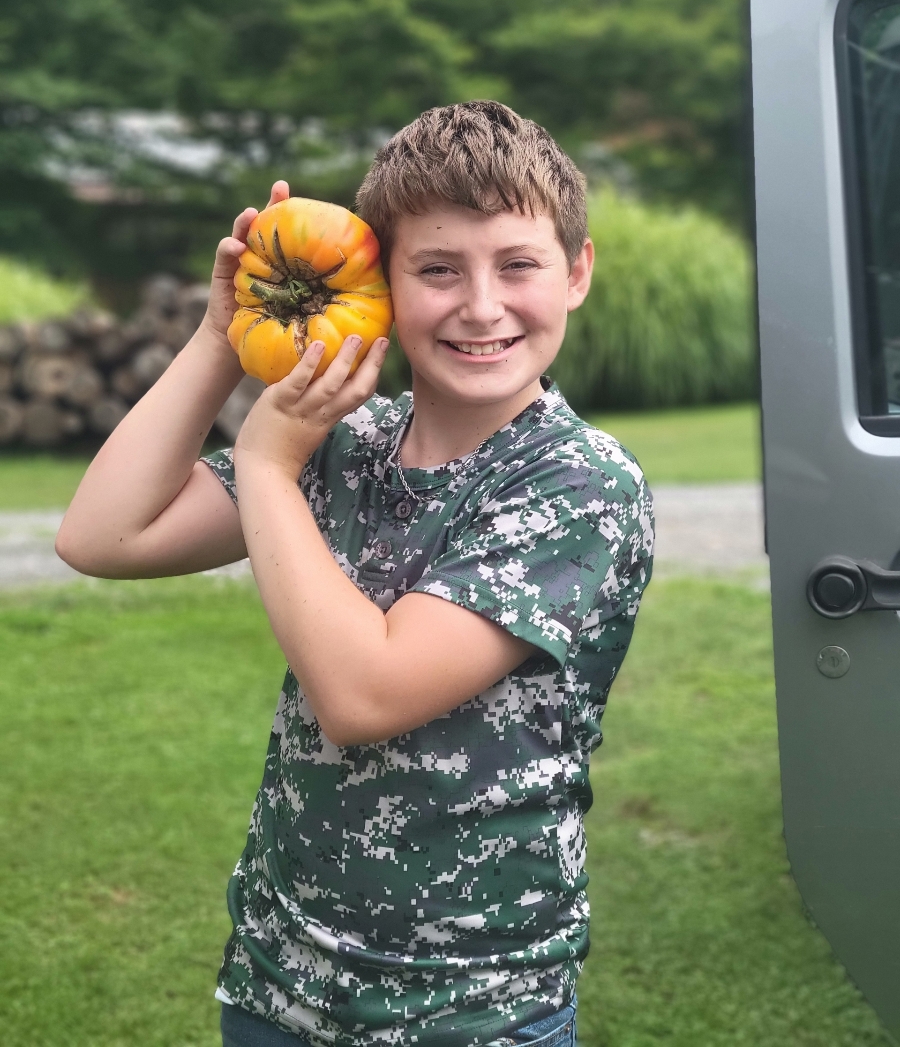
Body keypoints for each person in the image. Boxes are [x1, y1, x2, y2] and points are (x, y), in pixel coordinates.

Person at [57, 101, 654, 1047]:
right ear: (380, 281)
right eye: (438, 269)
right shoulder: (350, 444)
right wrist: (225, 335)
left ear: (576, 273)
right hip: (279, 978)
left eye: (519, 265)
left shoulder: (579, 484)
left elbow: (364, 692)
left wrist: (264, 464)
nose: (482, 305)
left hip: (467, 1006)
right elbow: (104, 535)